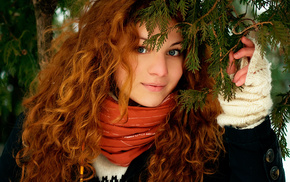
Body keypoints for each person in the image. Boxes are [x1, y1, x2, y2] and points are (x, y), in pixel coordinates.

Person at [0, 0, 285, 181]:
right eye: (140, 48)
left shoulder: (206, 138)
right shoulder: (44, 125)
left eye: (174, 51)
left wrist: (248, 119)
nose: (160, 70)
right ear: (105, 49)